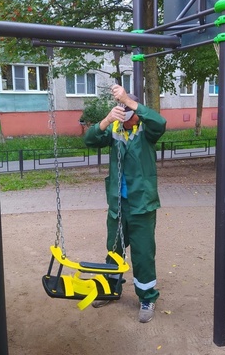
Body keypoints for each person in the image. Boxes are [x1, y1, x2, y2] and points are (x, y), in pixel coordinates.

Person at [84, 84, 167, 323]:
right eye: (122, 111)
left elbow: (160, 123)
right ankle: (111, 290)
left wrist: (129, 101)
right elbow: (90, 139)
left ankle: (147, 298)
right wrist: (108, 117)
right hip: (118, 206)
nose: (125, 117)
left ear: (136, 112)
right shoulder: (115, 130)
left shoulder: (147, 131)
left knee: (143, 254)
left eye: (128, 111)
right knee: (114, 251)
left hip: (142, 205)